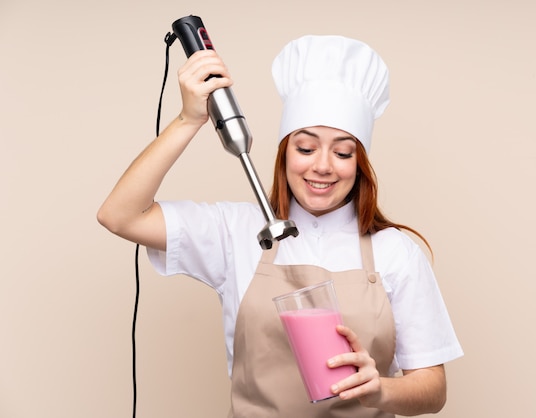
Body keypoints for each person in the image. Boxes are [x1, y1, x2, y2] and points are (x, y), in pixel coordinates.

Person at [98, 34, 463, 417]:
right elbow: (119, 215)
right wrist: (189, 119)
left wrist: (381, 391)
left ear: (359, 164)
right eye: (305, 148)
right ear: (283, 153)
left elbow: (432, 389)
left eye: (342, 152)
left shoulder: (394, 251)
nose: (322, 165)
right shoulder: (235, 231)